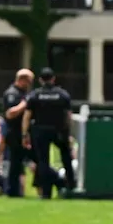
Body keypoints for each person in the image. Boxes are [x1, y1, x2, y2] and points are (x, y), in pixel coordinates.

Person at [21, 68, 75, 199]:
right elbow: (68, 116)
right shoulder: (62, 95)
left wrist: (24, 134)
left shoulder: (35, 95)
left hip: (40, 131)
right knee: (66, 159)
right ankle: (70, 187)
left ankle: (46, 192)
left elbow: (27, 116)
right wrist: (69, 133)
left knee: (43, 161)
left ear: (40, 80)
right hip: (59, 130)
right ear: (53, 79)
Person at [2, 68, 33, 196]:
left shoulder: (23, 93)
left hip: (23, 134)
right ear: (22, 80)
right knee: (15, 164)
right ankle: (12, 191)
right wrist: (25, 104)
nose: (30, 84)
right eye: (29, 81)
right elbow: (10, 113)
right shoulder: (12, 93)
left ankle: (18, 191)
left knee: (20, 164)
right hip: (14, 133)